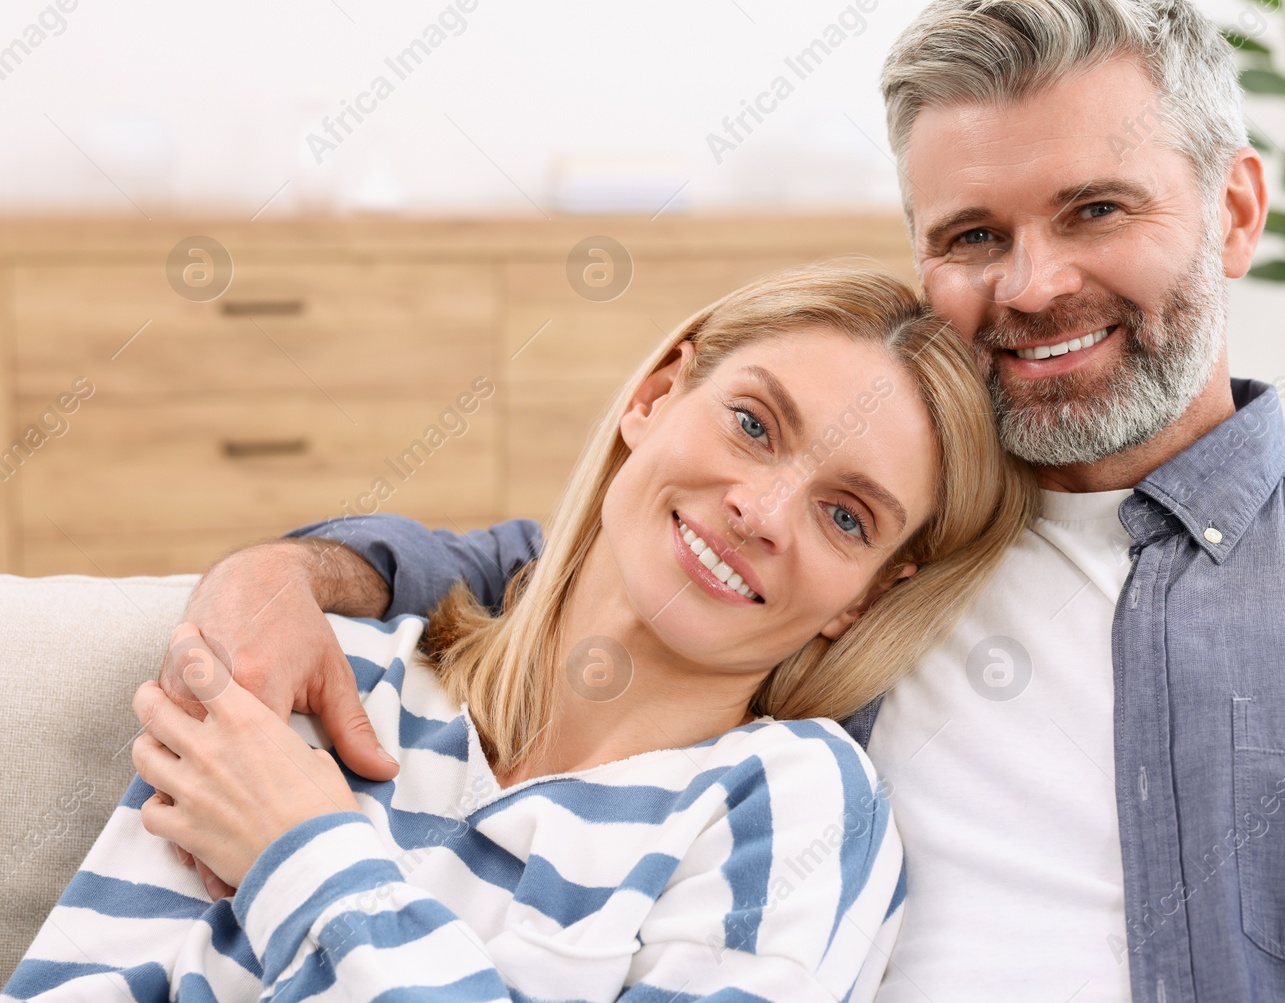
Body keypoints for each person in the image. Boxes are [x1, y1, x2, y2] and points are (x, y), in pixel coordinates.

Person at [100, 0, 1285, 1003]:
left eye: (1096, 208)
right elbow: (544, 558)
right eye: (971, 235)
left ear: (1237, 209)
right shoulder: (858, 557)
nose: (1036, 282)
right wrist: (280, 570)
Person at [3, 265, 1035, 1001]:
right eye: (754, 424)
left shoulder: (789, 802)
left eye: (844, 515)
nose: (762, 510)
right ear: (656, 394)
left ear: (863, 594)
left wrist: (300, 851)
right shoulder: (320, 679)